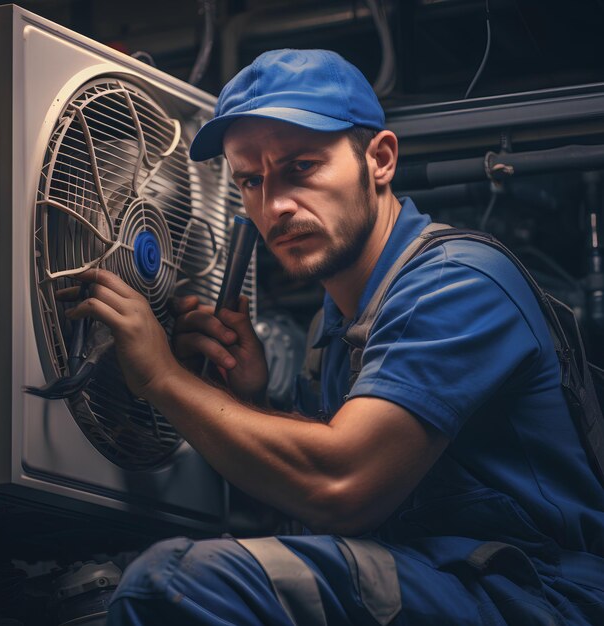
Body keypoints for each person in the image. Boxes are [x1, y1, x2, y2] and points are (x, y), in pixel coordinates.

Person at [64, 49, 604, 624]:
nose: (274, 205)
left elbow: (341, 484)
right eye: (251, 180)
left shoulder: (457, 284)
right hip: (436, 583)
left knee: (170, 583)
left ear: (381, 159)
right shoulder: (336, 328)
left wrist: (162, 378)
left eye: (301, 168)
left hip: (536, 600)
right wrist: (248, 400)